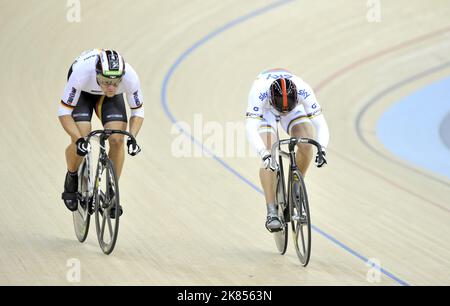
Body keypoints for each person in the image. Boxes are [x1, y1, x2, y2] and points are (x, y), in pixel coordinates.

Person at [58, 49, 144, 217]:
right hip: (83, 93)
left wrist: (132, 138)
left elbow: (138, 112)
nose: (111, 87)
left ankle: (112, 191)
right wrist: (78, 139)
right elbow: (64, 112)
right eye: (105, 81)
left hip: (108, 99)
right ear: (98, 73)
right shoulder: (81, 73)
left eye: (116, 82)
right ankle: (72, 175)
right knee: (82, 135)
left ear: (122, 77)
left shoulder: (129, 78)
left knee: (118, 138)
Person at [245, 68, 329, 232]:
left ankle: (296, 185)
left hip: (294, 109)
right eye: (282, 109)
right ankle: (271, 212)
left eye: (286, 109)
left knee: (306, 143)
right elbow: (250, 128)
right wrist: (264, 154)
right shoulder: (258, 92)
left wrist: (322, 149)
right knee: (270, 150)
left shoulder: (304, 90)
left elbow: (320, 123)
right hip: (266, 111)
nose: (283, 112)